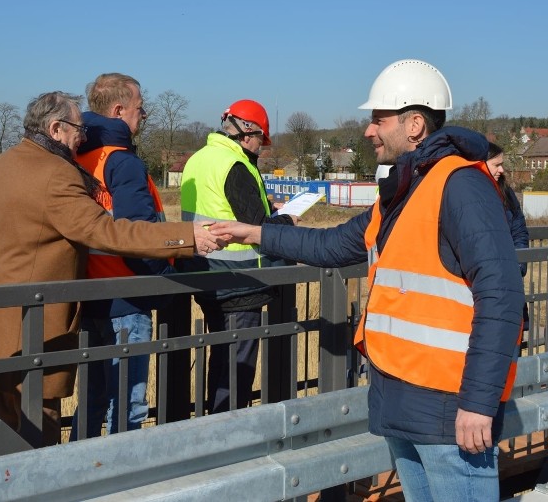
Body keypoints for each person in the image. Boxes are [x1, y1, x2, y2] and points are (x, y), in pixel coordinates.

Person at [211, 59, 525, 500]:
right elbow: (333, 246)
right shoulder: (407, 190)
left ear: (414, 124)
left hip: (448, 407)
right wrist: (255, 233)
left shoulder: (459, 186)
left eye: (378, 119)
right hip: (402, 398)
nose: (368, 131)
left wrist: (477, 402)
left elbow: (502, 294)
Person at [0, 91, 226, 446]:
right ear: (56, 128)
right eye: (78, 128)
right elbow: (106, 231)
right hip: (37, 326)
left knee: (5, 434)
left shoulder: (0, 165)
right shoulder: (57, 174)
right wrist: (186, 238)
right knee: (38, 434)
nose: (84, 135)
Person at [68, 73, 171, 439]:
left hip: (90, 294)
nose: (143, 116)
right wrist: (166, 270)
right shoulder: (122, 161)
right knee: (128, 404)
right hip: (126, 297)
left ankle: (80, 477)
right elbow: (137, 235)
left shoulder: (77, 156)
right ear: (118, 109)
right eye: (140, 109)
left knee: (94, 398)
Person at [180, 99, 295, 413]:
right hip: (240, 282)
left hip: (206, 275)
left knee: (220, 364)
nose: (261, 147)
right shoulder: (235, 164)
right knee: (235, 372)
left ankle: (216, 434)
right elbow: (257, 227)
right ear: (247, 133)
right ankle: (227, 442)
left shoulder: (199, 159)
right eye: (261, 139)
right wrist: (287, 220)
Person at [487, 142, 530, 331]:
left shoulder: (506, 193)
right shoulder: (466, 194)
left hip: (510, 279)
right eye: (496, 165)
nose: (502, 170)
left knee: (513, 335)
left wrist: (518, 263)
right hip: (486, 282)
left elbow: (519, 230)